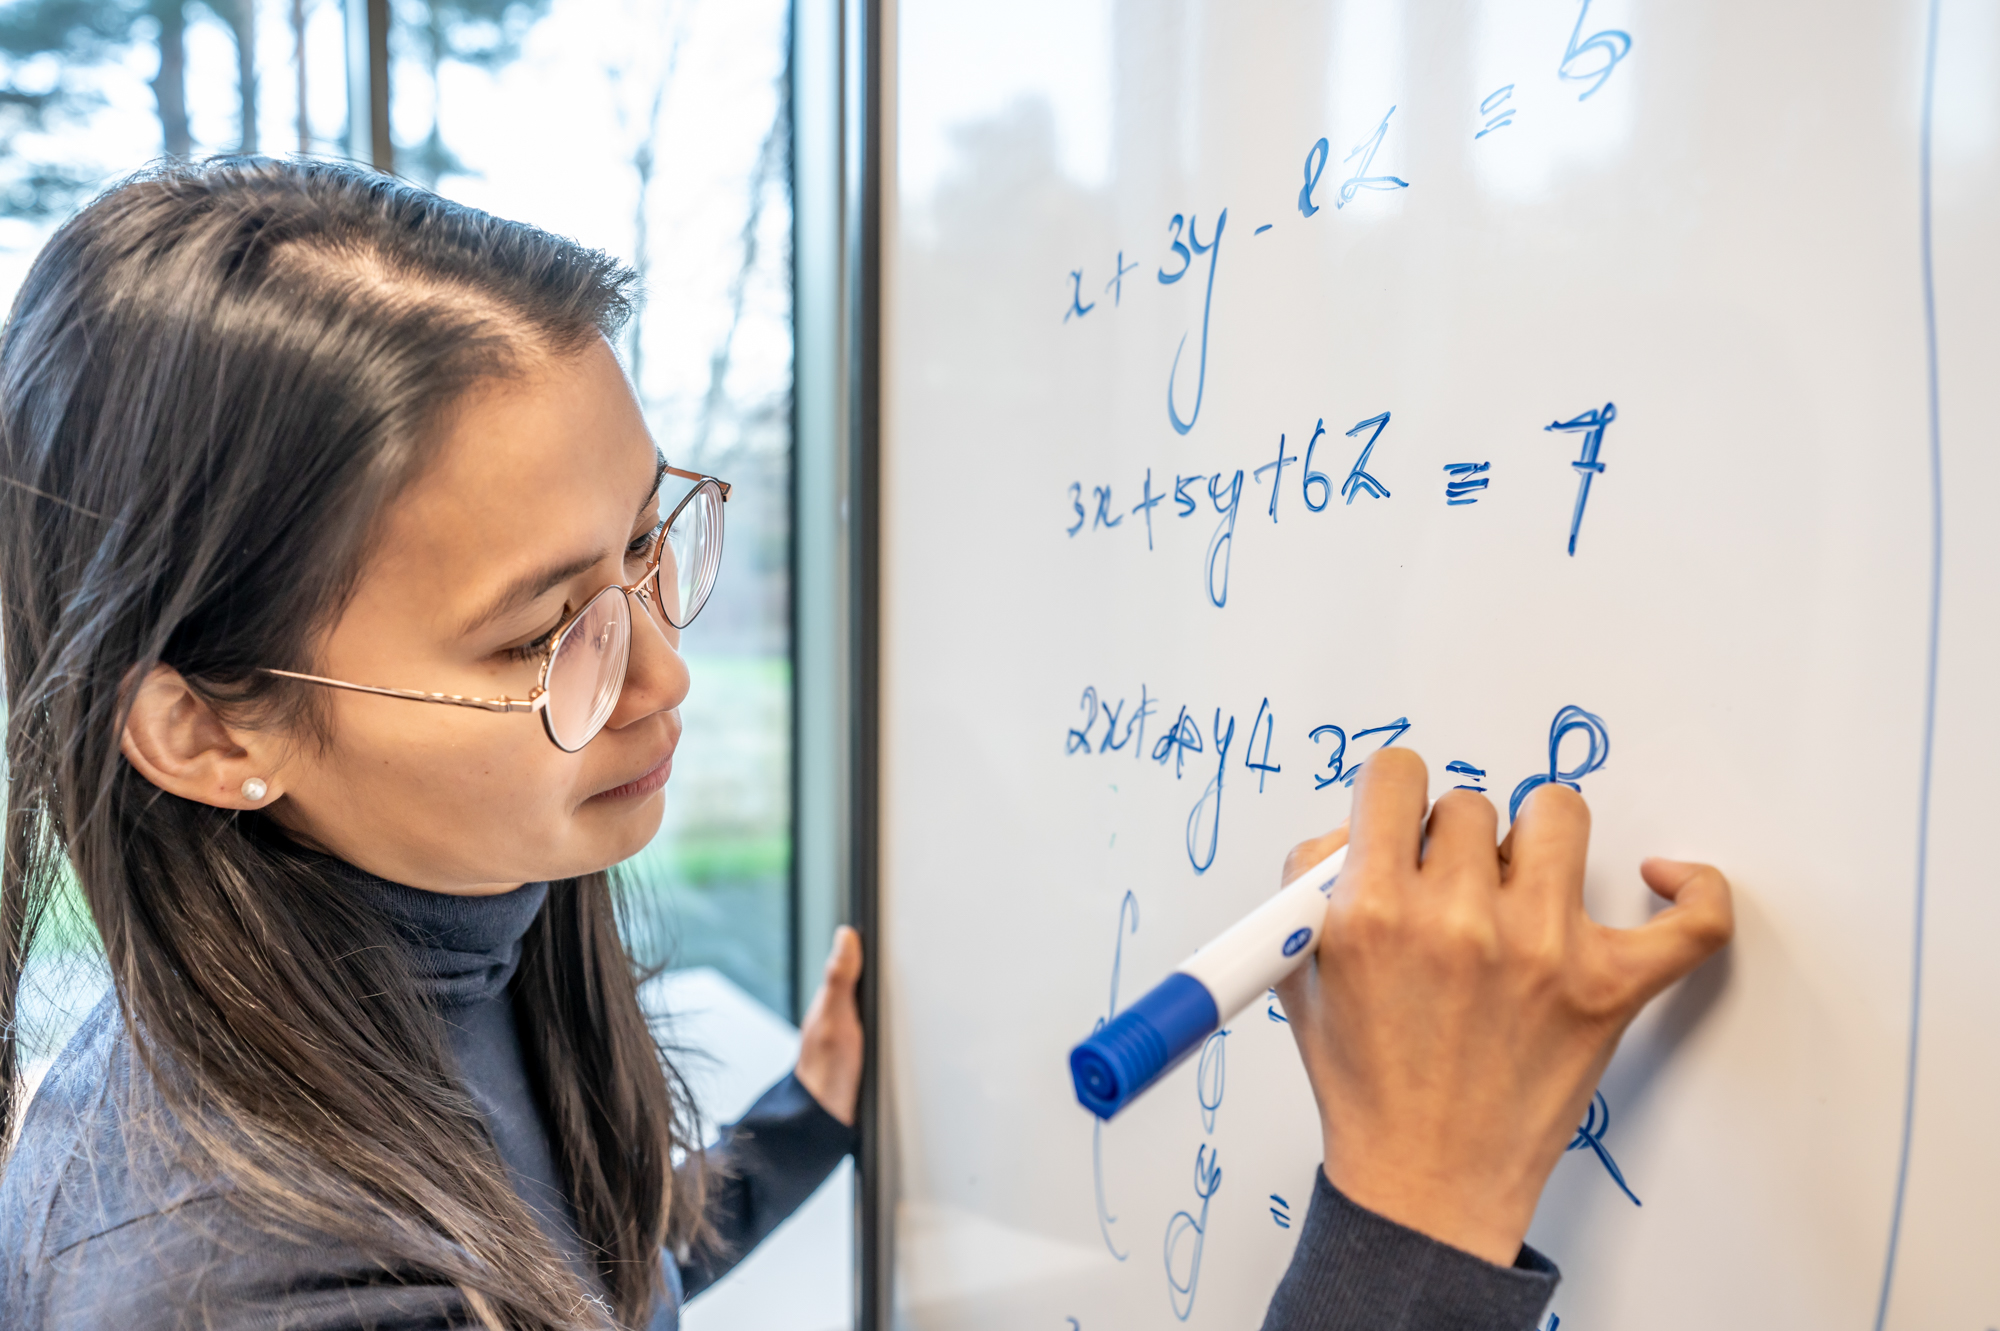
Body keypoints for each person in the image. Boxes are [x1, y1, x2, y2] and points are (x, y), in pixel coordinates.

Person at [0, 158, 1733, 1331]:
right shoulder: (233, 1281)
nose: (664, 675)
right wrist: (1413, 1213)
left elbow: (560, 1262)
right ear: (209, 728)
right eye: (550, 631)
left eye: (649, 546)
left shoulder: (435, 915)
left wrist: (801, 1130)